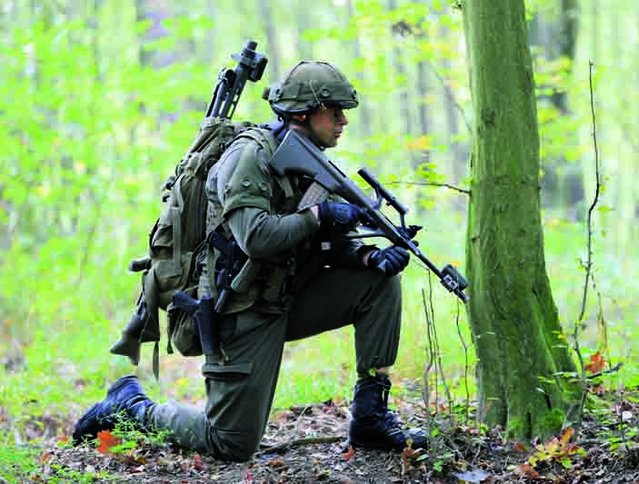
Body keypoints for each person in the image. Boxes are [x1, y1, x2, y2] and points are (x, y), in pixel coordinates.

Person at [72, 60, 426, 461]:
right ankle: (131, 406)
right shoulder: (251, 157)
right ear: (303, 114)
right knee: (231, 443)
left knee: (378, 284)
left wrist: (367, 255)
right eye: (335, 112)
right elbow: (256, 237)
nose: (343, 121)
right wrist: (318, 216)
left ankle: (370, 419)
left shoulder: (313, 162)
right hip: (241, 310)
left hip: (286, 295)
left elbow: (320, 244)